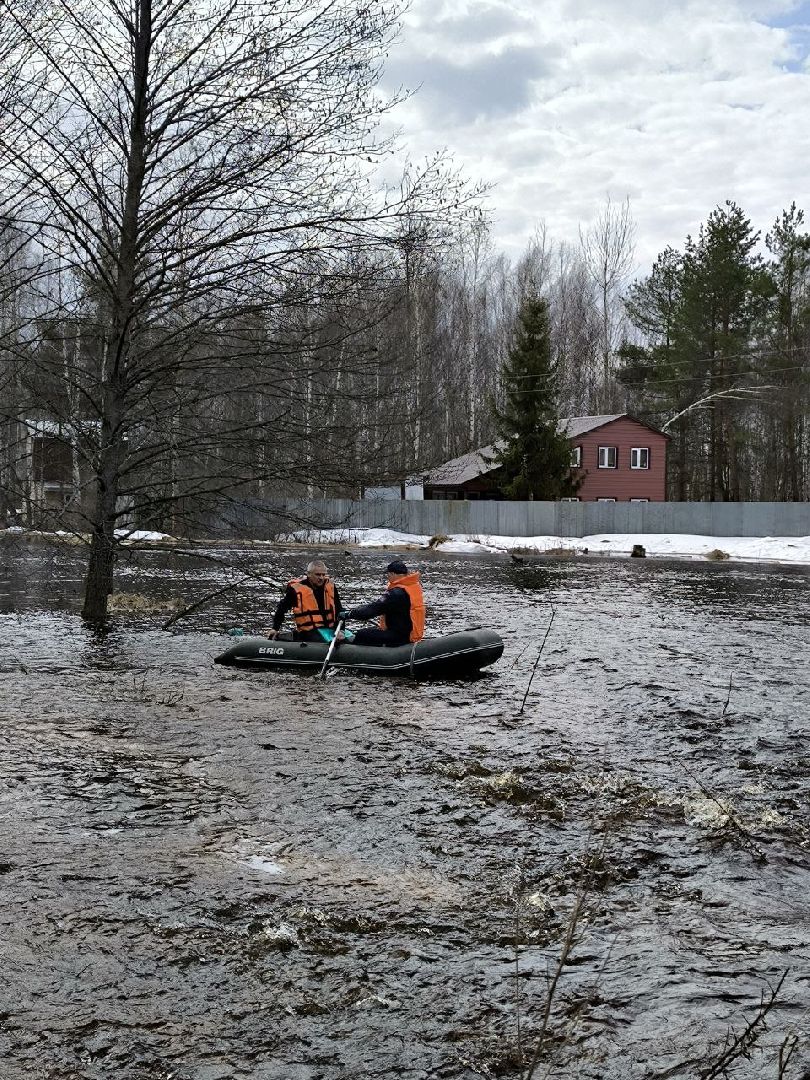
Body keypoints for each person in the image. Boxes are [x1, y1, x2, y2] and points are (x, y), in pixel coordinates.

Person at [344, 559, 425, 647]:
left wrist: (350, 614)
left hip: (399, 637)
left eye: (388, 574)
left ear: (393, 574)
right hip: (409, 634)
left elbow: (373, 609)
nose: (387, 577)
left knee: (362, 634)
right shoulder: (412, 586)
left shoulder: (396, 593)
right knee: (373, 631)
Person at [264, 559, 345, 642]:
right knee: (319, 639)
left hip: (330, 630)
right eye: (317, 575)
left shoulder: (330, 587)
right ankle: (282, 636)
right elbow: (282, 608)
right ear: (309, 574)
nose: (321, 578)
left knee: (352, 638)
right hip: (309, 631)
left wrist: (341, 630)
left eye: (323, 575)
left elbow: (339, 610)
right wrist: (275, 628)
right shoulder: (295, 590)